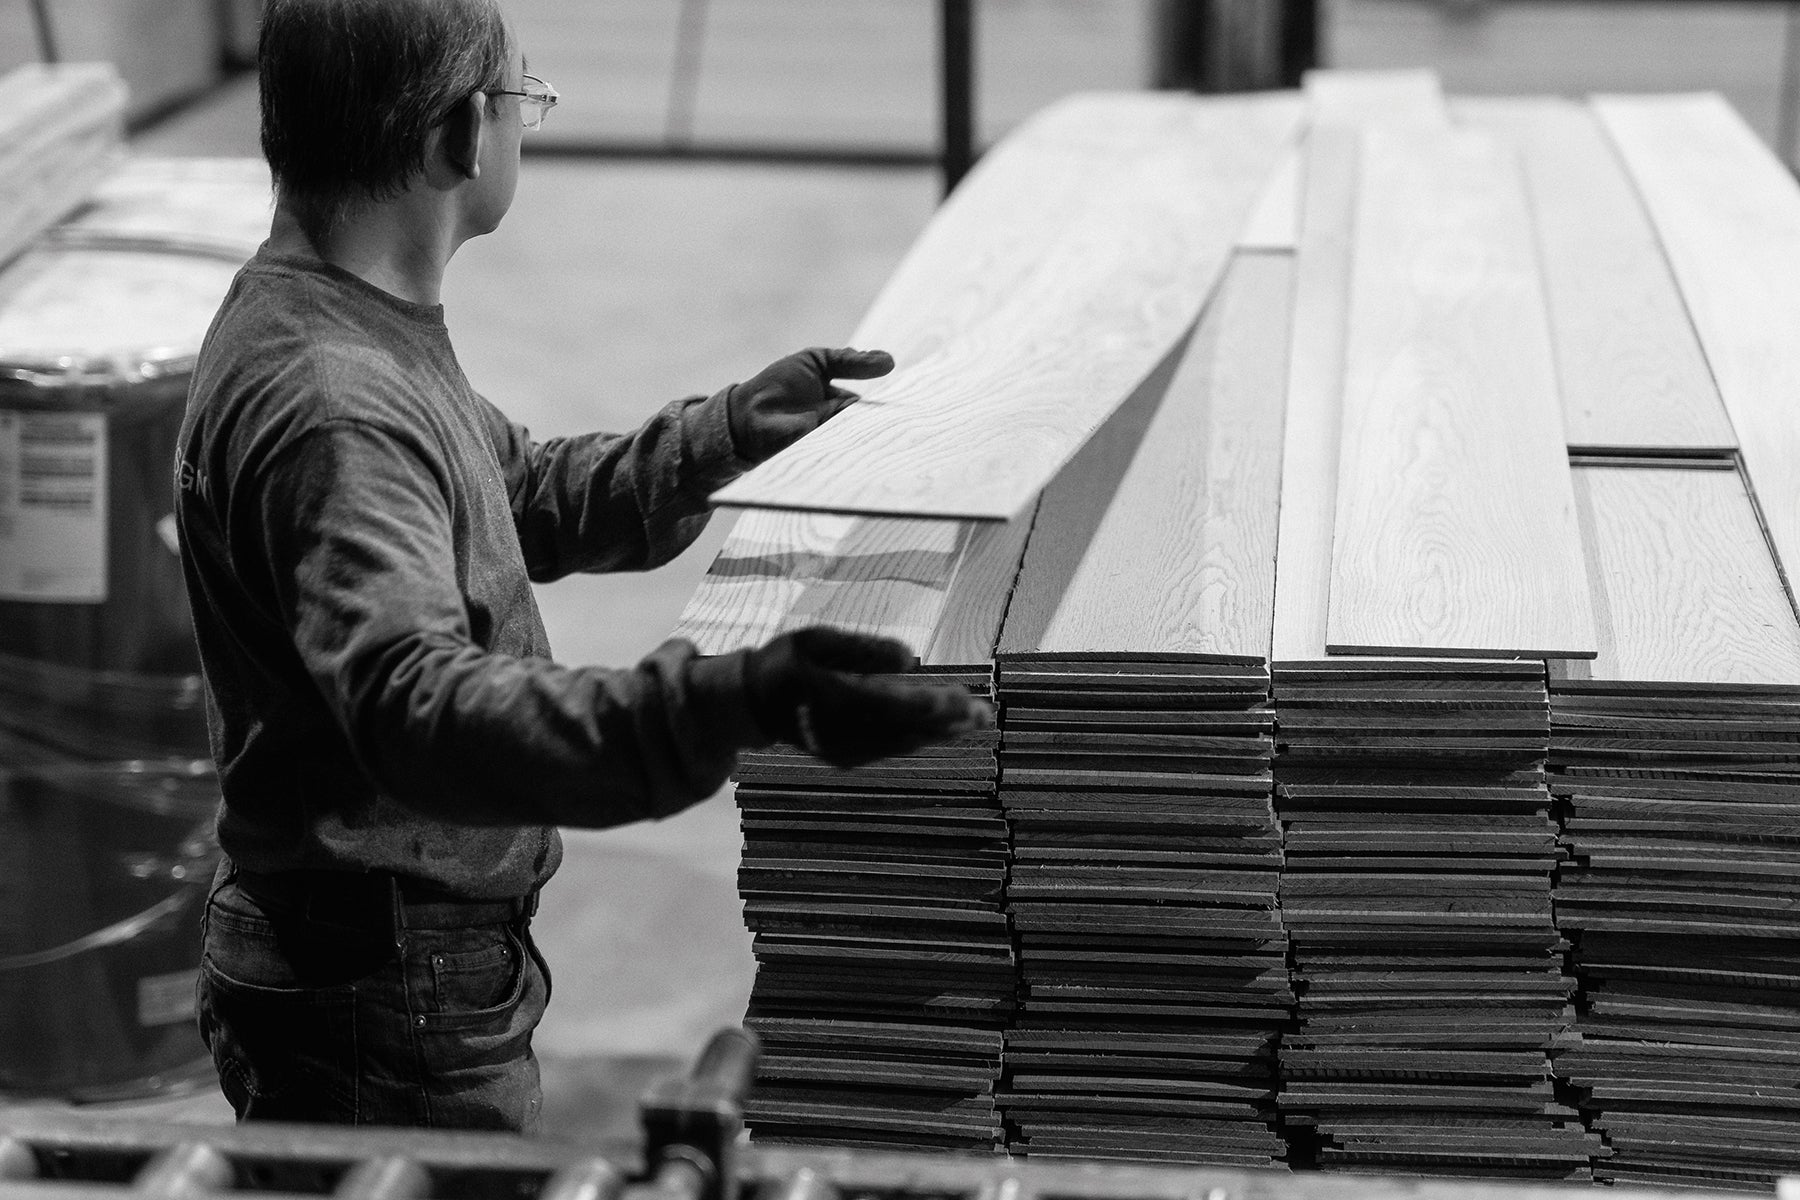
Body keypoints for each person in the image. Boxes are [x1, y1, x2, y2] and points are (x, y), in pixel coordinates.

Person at [173, 0, 991, 1133]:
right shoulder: (335, 402)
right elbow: (420, 711)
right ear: (462, 137)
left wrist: (728, 434)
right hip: (378, 989)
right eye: (524, 96)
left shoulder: (340, 322)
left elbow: (515, 494)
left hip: (386, 955)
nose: (527, 123)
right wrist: (716, 704)